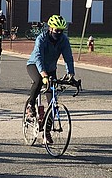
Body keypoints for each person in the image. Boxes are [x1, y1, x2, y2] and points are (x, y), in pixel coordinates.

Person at [25, 15, 76, 143]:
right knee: (38, 81)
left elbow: (68, 56)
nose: (58, 33)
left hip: (51, 68)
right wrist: (43, 74)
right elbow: (38, 57)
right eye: (56, 30)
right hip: (35, 65)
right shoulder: (41, 38)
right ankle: (30, 105)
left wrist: (70, 74)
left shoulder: (63, 40)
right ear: (50, 28)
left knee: (53, 102)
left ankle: (46, 132)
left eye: (61, 31)